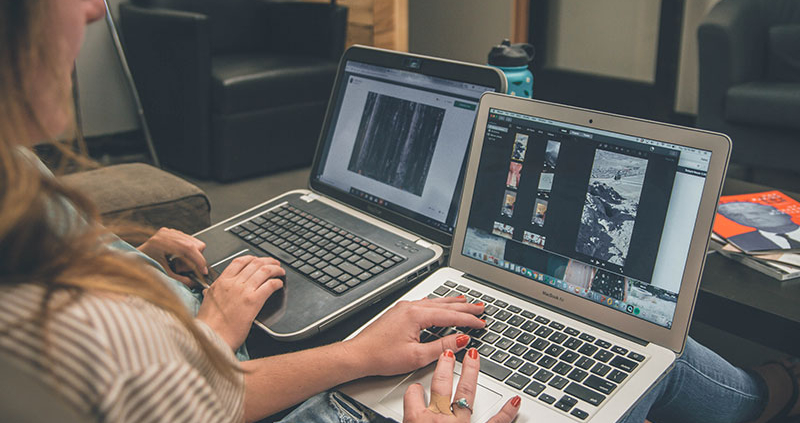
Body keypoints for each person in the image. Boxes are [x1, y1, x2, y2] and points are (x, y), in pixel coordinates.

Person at [0, 2, 797, 423]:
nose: (97, 9)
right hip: (304, 395)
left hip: (231, 341)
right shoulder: (55, 332)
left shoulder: (15, 179)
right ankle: (760, 397)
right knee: (619, 324)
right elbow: (209, 402)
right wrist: (331, 354)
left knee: (578, 318)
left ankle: (752, 396)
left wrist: (129, 242)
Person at [718, 201, 800, 251]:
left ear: (775, 211)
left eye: (753, 213)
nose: (748, 217)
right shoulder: (738, 242)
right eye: (736, 215)